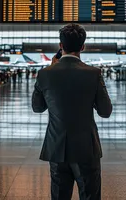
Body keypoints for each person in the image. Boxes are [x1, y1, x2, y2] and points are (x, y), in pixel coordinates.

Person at [32, 23, 112, 200]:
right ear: (82, 47)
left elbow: (37, 107)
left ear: (61, 46)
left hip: (56, 147)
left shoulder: (45, 73)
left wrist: (50, 71)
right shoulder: (94, 74)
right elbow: (105, 111)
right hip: (86, 148)